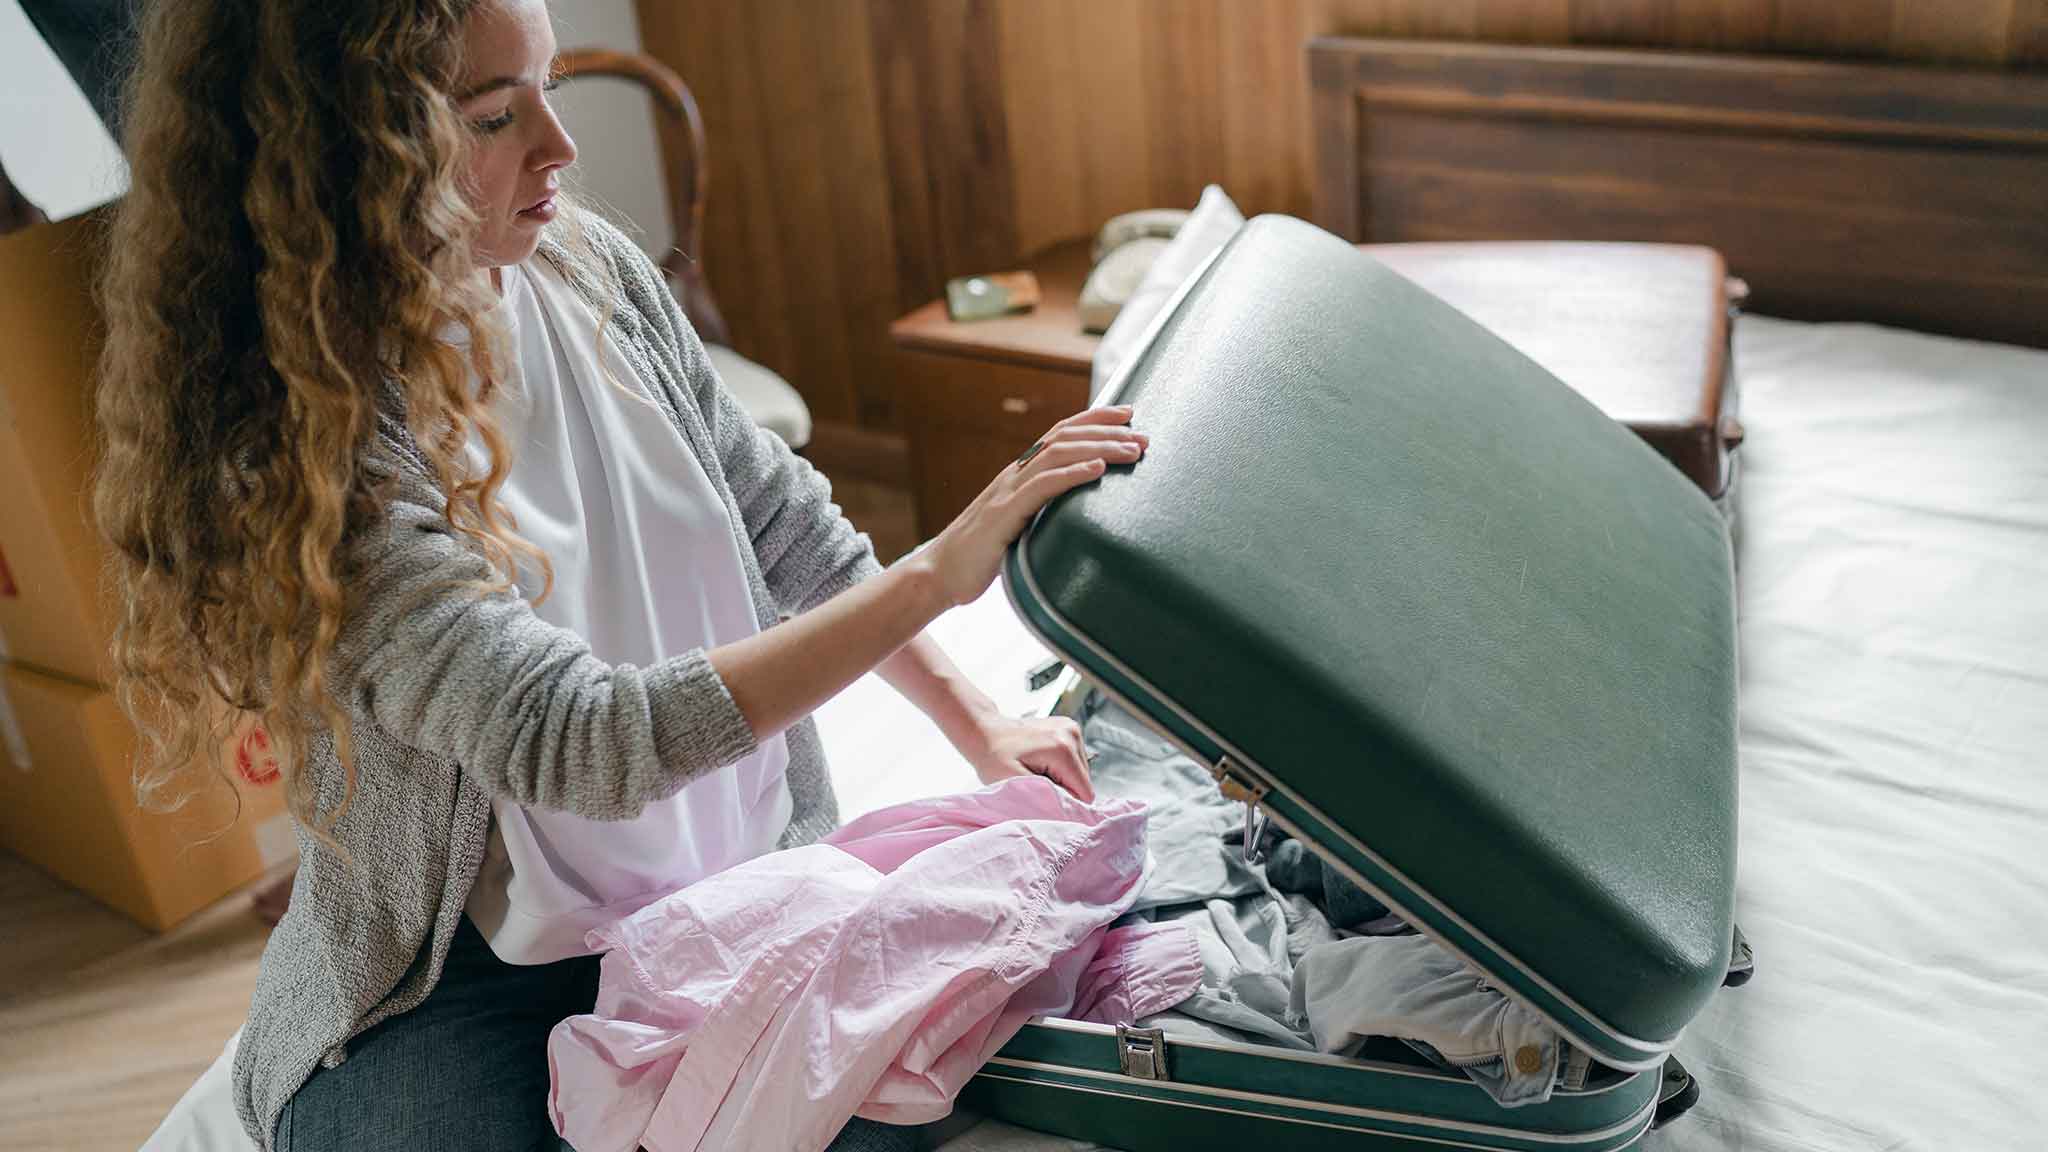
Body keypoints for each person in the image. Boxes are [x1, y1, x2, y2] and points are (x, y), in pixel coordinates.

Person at [92, 1, 1149, 1149]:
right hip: (466, 975)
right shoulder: (299, 443)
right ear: (344, 152)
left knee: (899, 1103)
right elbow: (577, 739)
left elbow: (782, 522)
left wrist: (976, 720)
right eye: (493, 116)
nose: (560, 146)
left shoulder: (590, 270)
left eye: (547, 88)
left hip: (724, 881)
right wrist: (937, 571)